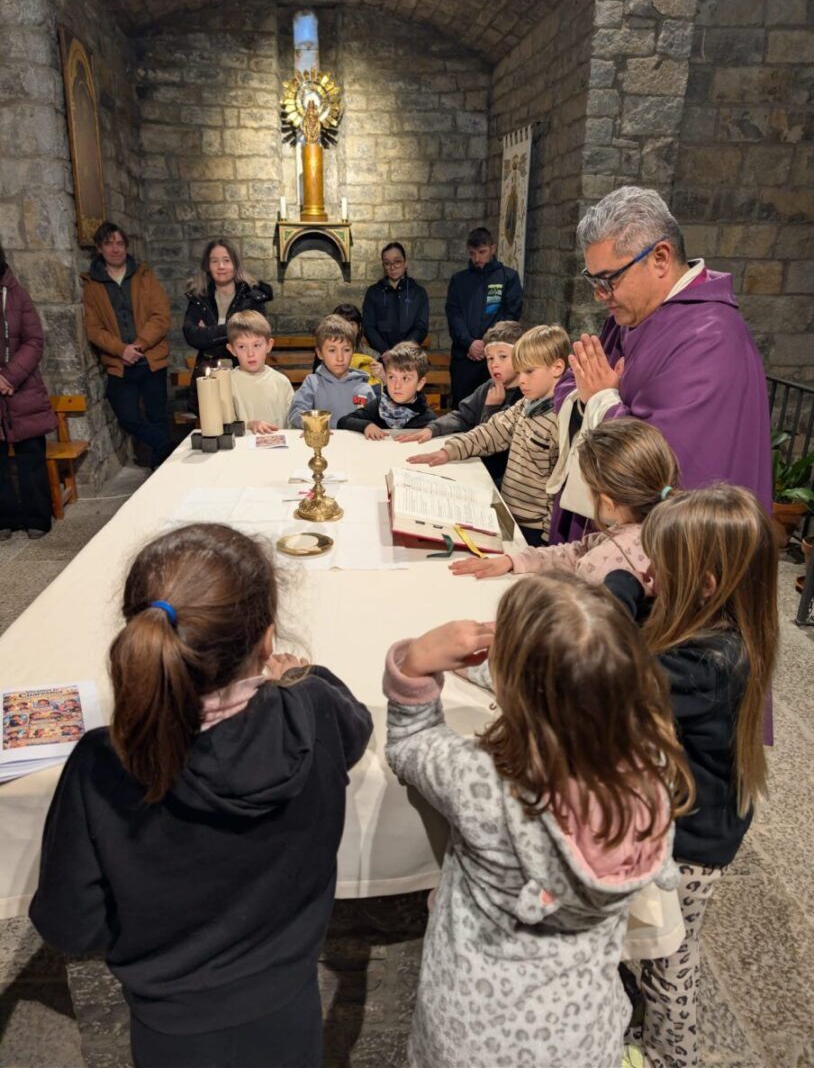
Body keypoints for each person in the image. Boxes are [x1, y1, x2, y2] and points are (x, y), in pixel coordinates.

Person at [29, 523, 372, 1068]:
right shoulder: (313, 711)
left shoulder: (104, 763)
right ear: (267, 641)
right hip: (290, 1004)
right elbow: (357, 728)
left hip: (172, 1026)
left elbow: (71, 924)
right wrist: (302, 677)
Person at [383, 573, 693, 1068]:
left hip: (470, 1037)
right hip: (583, 1035)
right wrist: (515, 665)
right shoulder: (652, 769)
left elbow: (410, 743)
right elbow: (574, 691)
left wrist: (415, 664)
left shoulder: (484, 783)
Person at [605, 484, 778, 1068]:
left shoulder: (705, 662)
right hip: (697, 816)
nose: (648, 573)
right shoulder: (716, 625)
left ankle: (672, 1055)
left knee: (669, 958)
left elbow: (610, 671)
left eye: (660, 566)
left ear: (704, 586)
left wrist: (620, 587)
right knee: (663, 947)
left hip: (692, 841)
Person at [553, 185, 772, 545]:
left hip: (669, 550)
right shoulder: (628, 317)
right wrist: (588, 398)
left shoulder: (710, 337)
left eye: (609, 279)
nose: (599, 295)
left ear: (660, 258)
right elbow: (572, 384)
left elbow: (671, 465)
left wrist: (602, 402)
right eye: (593, 280)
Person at [450, 417, 678, 583]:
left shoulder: (606, 559)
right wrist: (514, 560)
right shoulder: (665, 526)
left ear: (607, 502)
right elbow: (579, 551)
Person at [408, 325, 569, 546]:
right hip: (509, 511)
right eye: (520, 371)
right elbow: (491, 432)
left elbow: (559, 488)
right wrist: (449, 451)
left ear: (557, 368)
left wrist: (547, 542)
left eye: (529, 372)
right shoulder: (527, 404)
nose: (521, 379)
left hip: (535, 529)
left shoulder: (561, 420)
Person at [82, 222, 172, 471]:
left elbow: (161, 315)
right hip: (119, 362)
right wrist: (121, 349)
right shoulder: (92, 284)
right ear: (99, 248)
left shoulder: (144, 275)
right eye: (109, 244)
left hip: (150, 359)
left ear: (126, 247)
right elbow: (93, 328)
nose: (115, 249)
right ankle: (167, 447)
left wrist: (139, 345)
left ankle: (161, 469)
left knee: (157, 415)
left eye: (120, 243)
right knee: (128, 417)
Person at [396, 320, 524, 482]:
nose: (494, 364)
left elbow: (493, 443)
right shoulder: (489, 387)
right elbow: (462, 415)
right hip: (476, 466)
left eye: (503, 357)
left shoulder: (524, 396)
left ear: (520, 358)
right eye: (490, 358)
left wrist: (491, 408)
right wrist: (432, 429)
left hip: (498, 478)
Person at [0, 242, 57, 539]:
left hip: (21, 388)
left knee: (31, 454)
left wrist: (9, 377)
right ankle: (4, 518)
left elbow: (34, 340)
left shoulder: (16, 294)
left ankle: (37, 517)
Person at [183, 238, 273, 411]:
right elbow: (193, 336)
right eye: (214, 261)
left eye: (226, 260)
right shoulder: (199, 297)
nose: (221, 266)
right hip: (208, 375)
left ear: (235, 264)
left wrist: (209, 333)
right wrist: (234, 329)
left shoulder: (252, 297)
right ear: (207, 266)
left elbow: (255, 333)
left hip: (245, 374)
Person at [445, 227, 523, 406]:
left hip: (495, 356)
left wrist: (487, 343)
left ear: (492, 249)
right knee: (462, 406)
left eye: (482, 252)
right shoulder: (459, 280)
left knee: (495, 406)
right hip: (465, 356)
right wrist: (469, 343)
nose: (477, 258)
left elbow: (511, 315)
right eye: (473, 253)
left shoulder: (508, 277)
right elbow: (454, 315)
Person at [288, 315, 376, 428]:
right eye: (332, 350)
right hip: (321, 438)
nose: (340, 358)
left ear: (353, 351)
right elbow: (295, 413)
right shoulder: (312, 383)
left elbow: (377, 419)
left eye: (346, 350)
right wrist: (315, 425)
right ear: (320, 353)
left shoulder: (364, 387)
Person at [338, 342, 436, 439]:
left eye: (405, 378)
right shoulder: (377, 406)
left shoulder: (428, 420)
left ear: (420, 383)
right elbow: (343, 421)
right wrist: (366, 425)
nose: (397, 386)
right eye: (392, 377)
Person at [226, 311, 293, 433]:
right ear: (232, 349)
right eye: (242, 347)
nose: (250, 353)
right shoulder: (227, 383)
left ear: (269, 345)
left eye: (256, 345)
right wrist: (248, 425)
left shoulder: (281, 382)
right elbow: (224, 426)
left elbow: (293, 424)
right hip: (243, 444)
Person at [362, 242, 429, 359]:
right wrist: (385, 351)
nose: (392, 267)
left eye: (397, 261)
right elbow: (368, 326)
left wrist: (402, 352)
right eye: (387, 263)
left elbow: (421, 327)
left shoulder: (418, 293)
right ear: (383, 266)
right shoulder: (373, 292)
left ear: (405, 263)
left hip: (409, 357)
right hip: (382, 356)